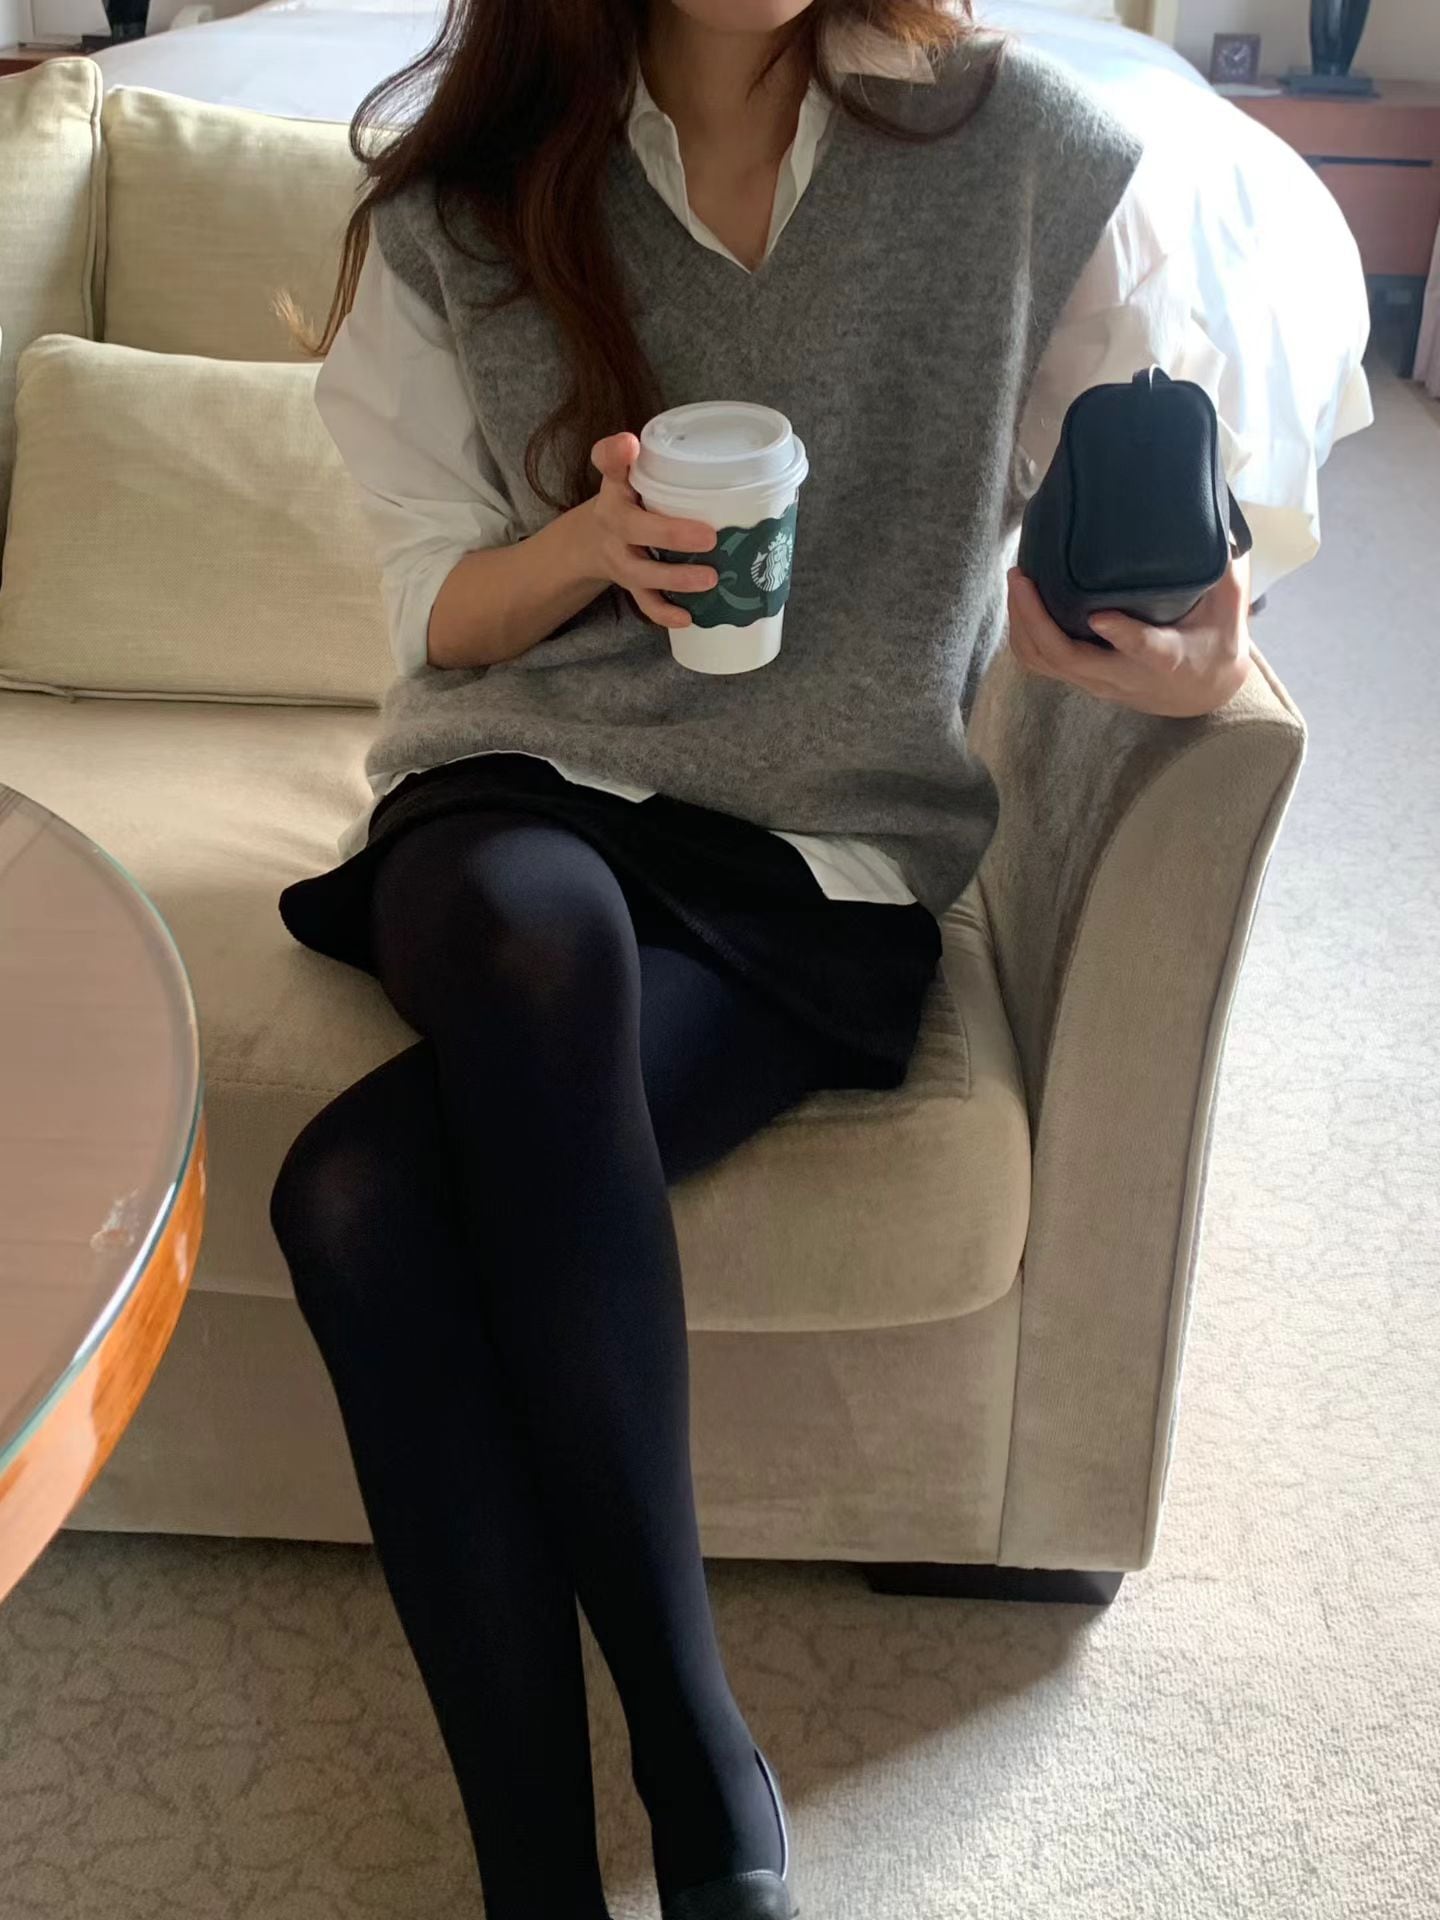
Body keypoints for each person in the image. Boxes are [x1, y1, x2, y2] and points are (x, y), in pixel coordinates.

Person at [268, 3, 1258, 1916]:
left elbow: (1157, 497)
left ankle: (607, 1831)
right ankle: (689, 1774)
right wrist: (592, 547)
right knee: (537, 934)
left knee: (360, 1198)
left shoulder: (1029, 154)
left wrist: (1185, 638)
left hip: (824, 850)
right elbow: (436, 613)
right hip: (521, 786)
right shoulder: (460, 206)